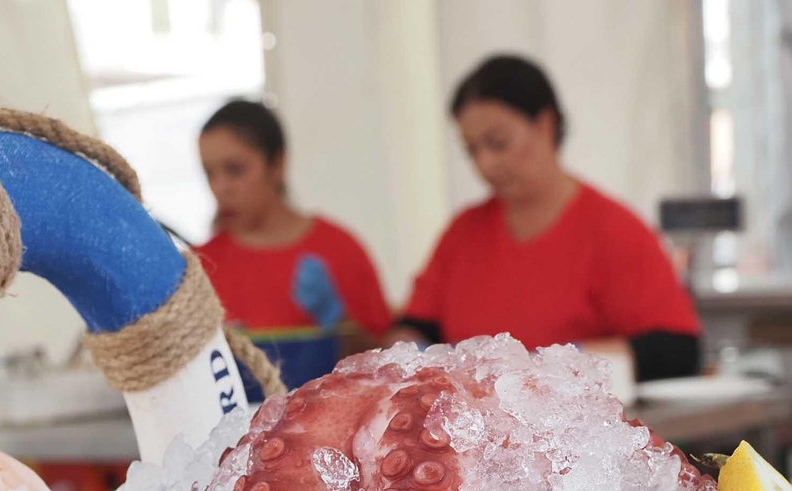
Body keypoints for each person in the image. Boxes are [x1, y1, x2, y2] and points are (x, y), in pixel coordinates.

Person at [386, 56, 701, 381]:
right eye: (472, 150)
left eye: (498, 144)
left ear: (545, 125)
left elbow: (677, 350)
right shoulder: (463, 233)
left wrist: (550, 369)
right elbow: (416, 326)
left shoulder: (612, 230)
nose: (485, 164)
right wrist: (404, 360)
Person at [197, 99, 391, 389]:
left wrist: (338, 323)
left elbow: (386, 362)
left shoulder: (339, 249)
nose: (220, 187)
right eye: (209, 173)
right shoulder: (200, 268)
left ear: (278, 164)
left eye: (235, 169)